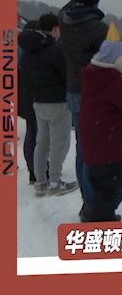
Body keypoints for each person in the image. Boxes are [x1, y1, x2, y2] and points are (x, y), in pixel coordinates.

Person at [58, 0, 109, 217]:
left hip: (73, 91)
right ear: (96, 1)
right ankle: (92, 205)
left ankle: (87, 200)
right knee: (94, 151)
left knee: (83, 148)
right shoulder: (99, 28)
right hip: (93, 94)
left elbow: (65, 9)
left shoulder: (64, 21)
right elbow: (107, 64)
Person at [79, 41, 122, 222]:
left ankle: (92, 210)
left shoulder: (89, 74)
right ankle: (103, 221)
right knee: (110, 185)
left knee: (95, 178)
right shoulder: (114, 81)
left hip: (90, 137)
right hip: (108, 142)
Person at [19, 14, 76, 196]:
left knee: (41, 142)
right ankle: (54, 182)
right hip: (57, 101)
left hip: (37, 101)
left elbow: (25, 74)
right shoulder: (54, 50)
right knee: (58, 142)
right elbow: (66, 74)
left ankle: (40, 182)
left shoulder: (28, 51)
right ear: (55, 29)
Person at [18, 20, 41, 185]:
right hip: (35, 96)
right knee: (38, 136)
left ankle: (33, 171)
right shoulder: (34, 51)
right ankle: (39, 171)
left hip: (22, 96)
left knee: (31, 132)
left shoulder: (18, 50)